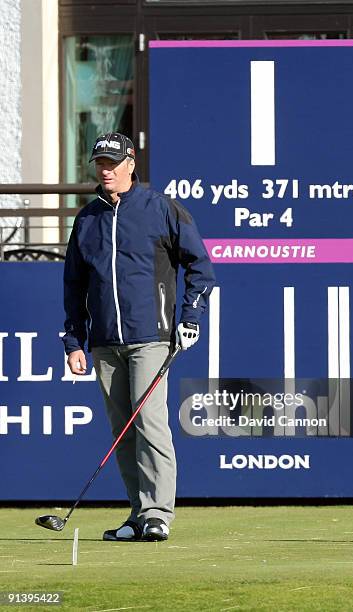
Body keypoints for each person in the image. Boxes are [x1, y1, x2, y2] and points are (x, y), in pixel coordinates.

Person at [62, 132, 215, 542]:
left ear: (131, 163)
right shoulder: (87, 218)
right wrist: (74, 341)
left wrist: (190, 317)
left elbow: (200, 267)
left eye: (113, 162)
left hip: (151, 335)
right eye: (100, 163)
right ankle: (138, 513)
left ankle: (158, 513)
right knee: (123, 430)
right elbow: (74, 285)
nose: (105, 170)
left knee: (149, 422)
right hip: (105, 341)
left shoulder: (161, 209)